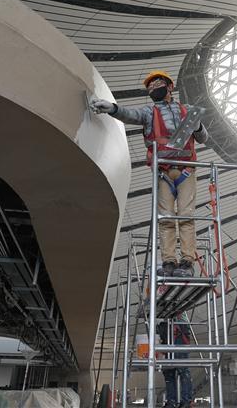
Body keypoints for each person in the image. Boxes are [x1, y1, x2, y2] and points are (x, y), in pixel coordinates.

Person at [92, 70, 209, 276]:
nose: (153, 88)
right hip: (163, 171)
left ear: (169, 87)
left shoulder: (187, 110)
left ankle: (187, 262)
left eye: (157, 84)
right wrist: (113, 109)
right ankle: (169, 261)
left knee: (185, 215)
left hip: (186, 170)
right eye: (150, 87)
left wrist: (197, 126)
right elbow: (130, 115)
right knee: (165, 218)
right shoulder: (149, 112)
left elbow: (203, 138)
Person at [157, 315, 193, 408]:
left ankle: (186, 401)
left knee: (183, 371)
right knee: (169, 373)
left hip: (178, 336)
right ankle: (172, 402)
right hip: (166, 337)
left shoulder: (179, 312)